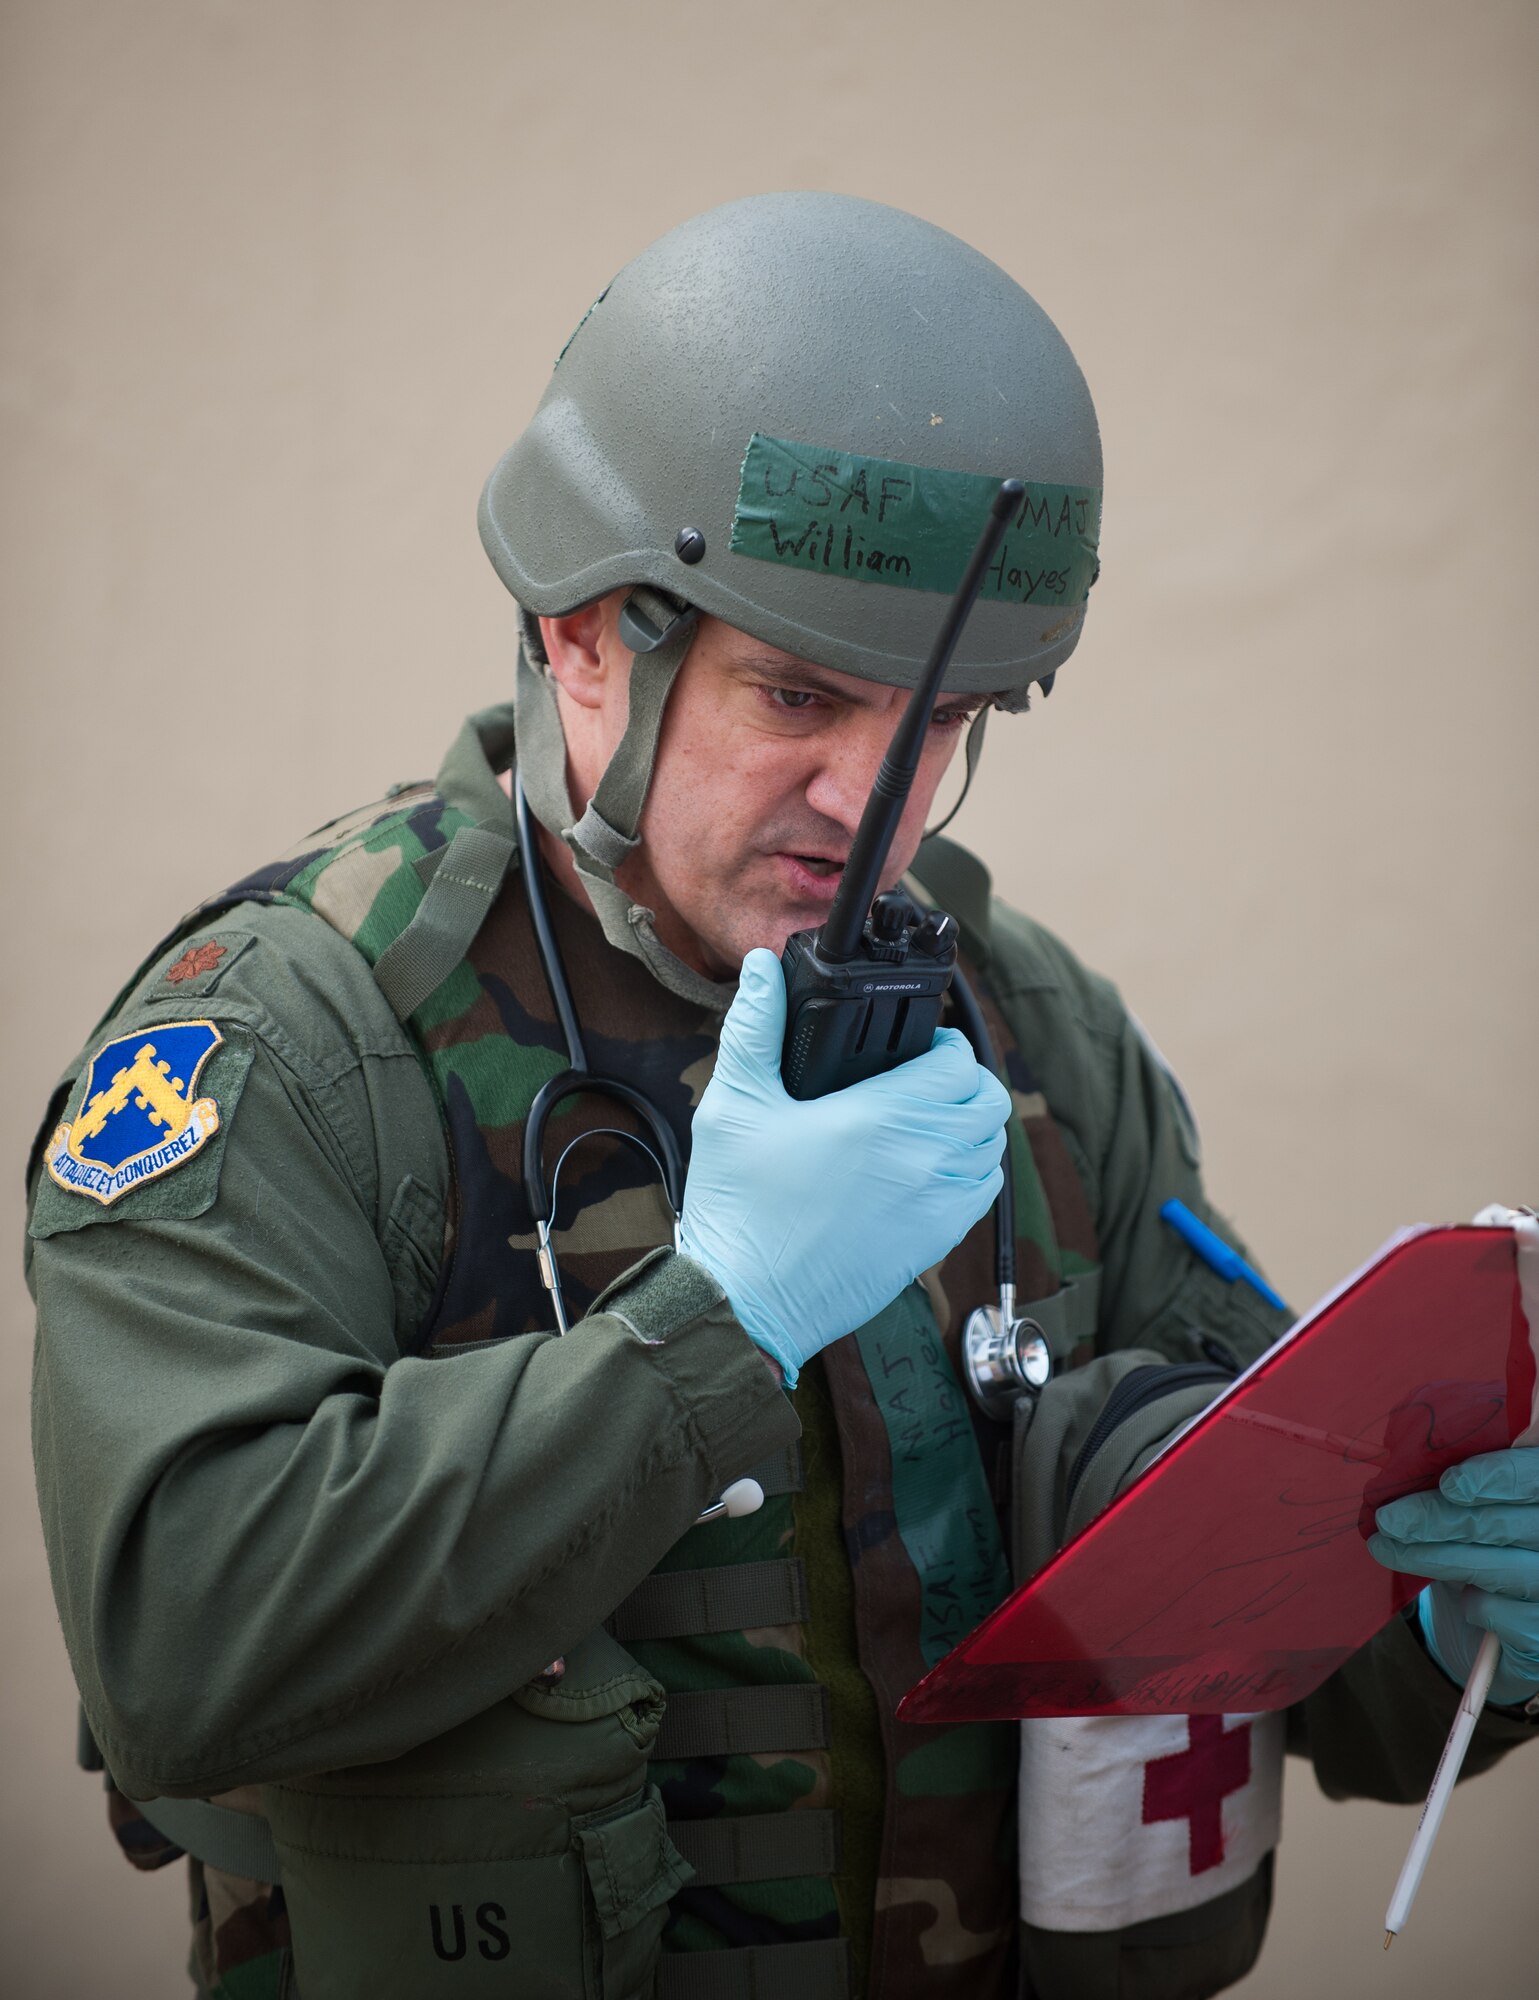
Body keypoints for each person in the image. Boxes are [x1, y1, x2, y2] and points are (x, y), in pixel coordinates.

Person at [25, 193, 1539, 2000]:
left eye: (940, 721)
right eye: (798, 696)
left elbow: (1264, 1616)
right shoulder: (290, 1041)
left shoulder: (1028, 1028)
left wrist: (1455, 1616)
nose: (869, 797)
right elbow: (182, 1650)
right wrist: (715, 1324)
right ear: (584, 636)